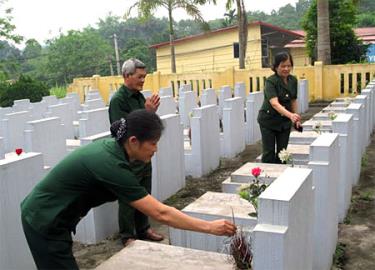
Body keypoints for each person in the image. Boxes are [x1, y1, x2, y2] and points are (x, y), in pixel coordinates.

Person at [21, 110, 236, 270]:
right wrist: (209, 227)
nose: (156, 149)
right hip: (44, 219)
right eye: (153, 143)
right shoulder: (111, 165)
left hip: (57, 217)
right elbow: (160, 213)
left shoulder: (117, 153)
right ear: (133, 141)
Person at [108, 58, 162, 246]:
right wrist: (147, 112)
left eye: (144, 77)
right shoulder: (119, 100)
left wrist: (151, 113)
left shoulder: (139, 96)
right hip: (129, 157)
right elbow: (121, 130)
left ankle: (143, 228)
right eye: (139, 77)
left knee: (145, 193)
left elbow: (145, 126)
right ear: (127, 76)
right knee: (128, 197)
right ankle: (127, 235)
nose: (142, 80)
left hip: (143, 155)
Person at [257, 52, 301, 163]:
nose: (286, 68)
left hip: (284, 122)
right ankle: (266, 177)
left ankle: (280, 175)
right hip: (268, 120)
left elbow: (293, 100)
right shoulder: (271, 81)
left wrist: (296, 118)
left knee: (282, 153)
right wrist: (291, 115)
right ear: (276, 67)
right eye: (283, 66)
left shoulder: (293, 80)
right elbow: (274, 103)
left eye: (289, 65)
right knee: (269, 153)